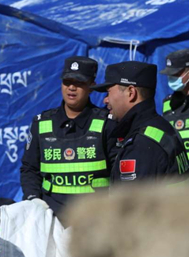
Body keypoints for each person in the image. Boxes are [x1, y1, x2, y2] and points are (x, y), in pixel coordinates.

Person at [20, 56, 117, 217]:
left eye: (79, 83)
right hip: (52, 216)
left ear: (91, 86)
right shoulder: (42, 123)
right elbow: (29, 168)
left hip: (96, 218)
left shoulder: (107, 123)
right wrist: (33, 198)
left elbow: (117, 173)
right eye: (67, 82)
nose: (71, 87)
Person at [92, 61, 189, 184]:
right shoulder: (162, 128)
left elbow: (133, 196)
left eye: (109, 92)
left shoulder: (141, 145)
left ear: (131, 93)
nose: (105, 100)